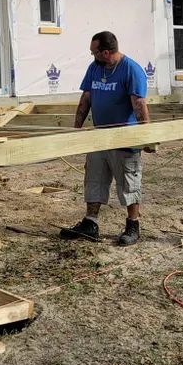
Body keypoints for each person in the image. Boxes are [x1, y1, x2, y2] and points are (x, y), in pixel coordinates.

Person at [60, 31, 151, 247]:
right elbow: (86, 99)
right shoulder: (95, 68)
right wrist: (76, 130)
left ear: (106, 52)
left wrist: (147, 136)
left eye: (95, 52)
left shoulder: (131, 70)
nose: (93, 56)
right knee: (94, 179)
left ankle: (133, 225)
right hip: (99, 137)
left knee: (129, 183)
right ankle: (90, 224)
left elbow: (139, 104)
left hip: (124, 139)